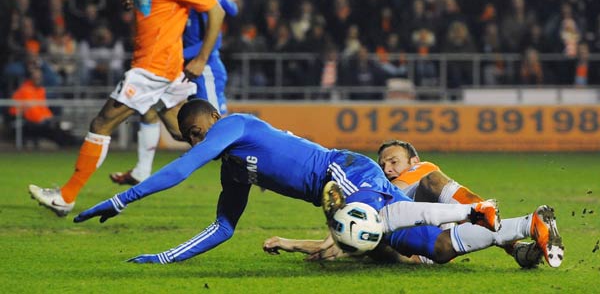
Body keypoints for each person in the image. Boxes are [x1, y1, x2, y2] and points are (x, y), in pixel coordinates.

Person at [74, 99, 551, 267]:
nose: (199, 143)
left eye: (197, 135)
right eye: (194, 138)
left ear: (211, 122)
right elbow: (223, 227)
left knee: (375, 223)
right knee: (433, 250)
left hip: (343, 170)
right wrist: (160, 258)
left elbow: (180, 169)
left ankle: (473, 209)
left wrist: (122, 199)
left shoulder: (234, 123)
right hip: (335, 190)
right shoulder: (234, 168)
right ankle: (523, 225)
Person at [28, 0, 225, 217]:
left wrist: (200, 59)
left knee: (101, 124)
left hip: (152, 67)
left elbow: (217, 11)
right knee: (182, 130)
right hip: (165, 68)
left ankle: (65, 197)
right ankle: (246, 156)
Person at [263, 140, 563, 268]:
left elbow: (392, 201)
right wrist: (293, 243)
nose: (388, 168)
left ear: (412, 161)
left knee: (436, 192)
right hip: (413, 250)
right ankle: (521, 237)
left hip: (440, 230)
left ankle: (513, 234)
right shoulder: (377, 192)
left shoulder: (419, 172)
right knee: (363, 243)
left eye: (394, 161)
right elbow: (351, 236)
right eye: (383, 164)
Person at [110, 0, 238, 186]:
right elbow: (156, 0)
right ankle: (141, 170)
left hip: (204, 67)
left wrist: (190, 56)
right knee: (152, 109)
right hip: (180, 67)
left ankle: (260, 164)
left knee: (218, 128)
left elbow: (215, 35)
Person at [8, 66, 78, 147]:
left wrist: (50, 118)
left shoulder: (40, 90)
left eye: (39, 77)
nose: (38, 79)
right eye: (36, 77)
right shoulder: (25, 90)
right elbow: (31, 112)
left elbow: (43, 108)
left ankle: (72, 142)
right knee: (53, 131)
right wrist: (44, 120)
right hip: (22, 122)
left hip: (36, 121)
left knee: (57, 128)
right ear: (30, 78)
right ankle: (70, 144)